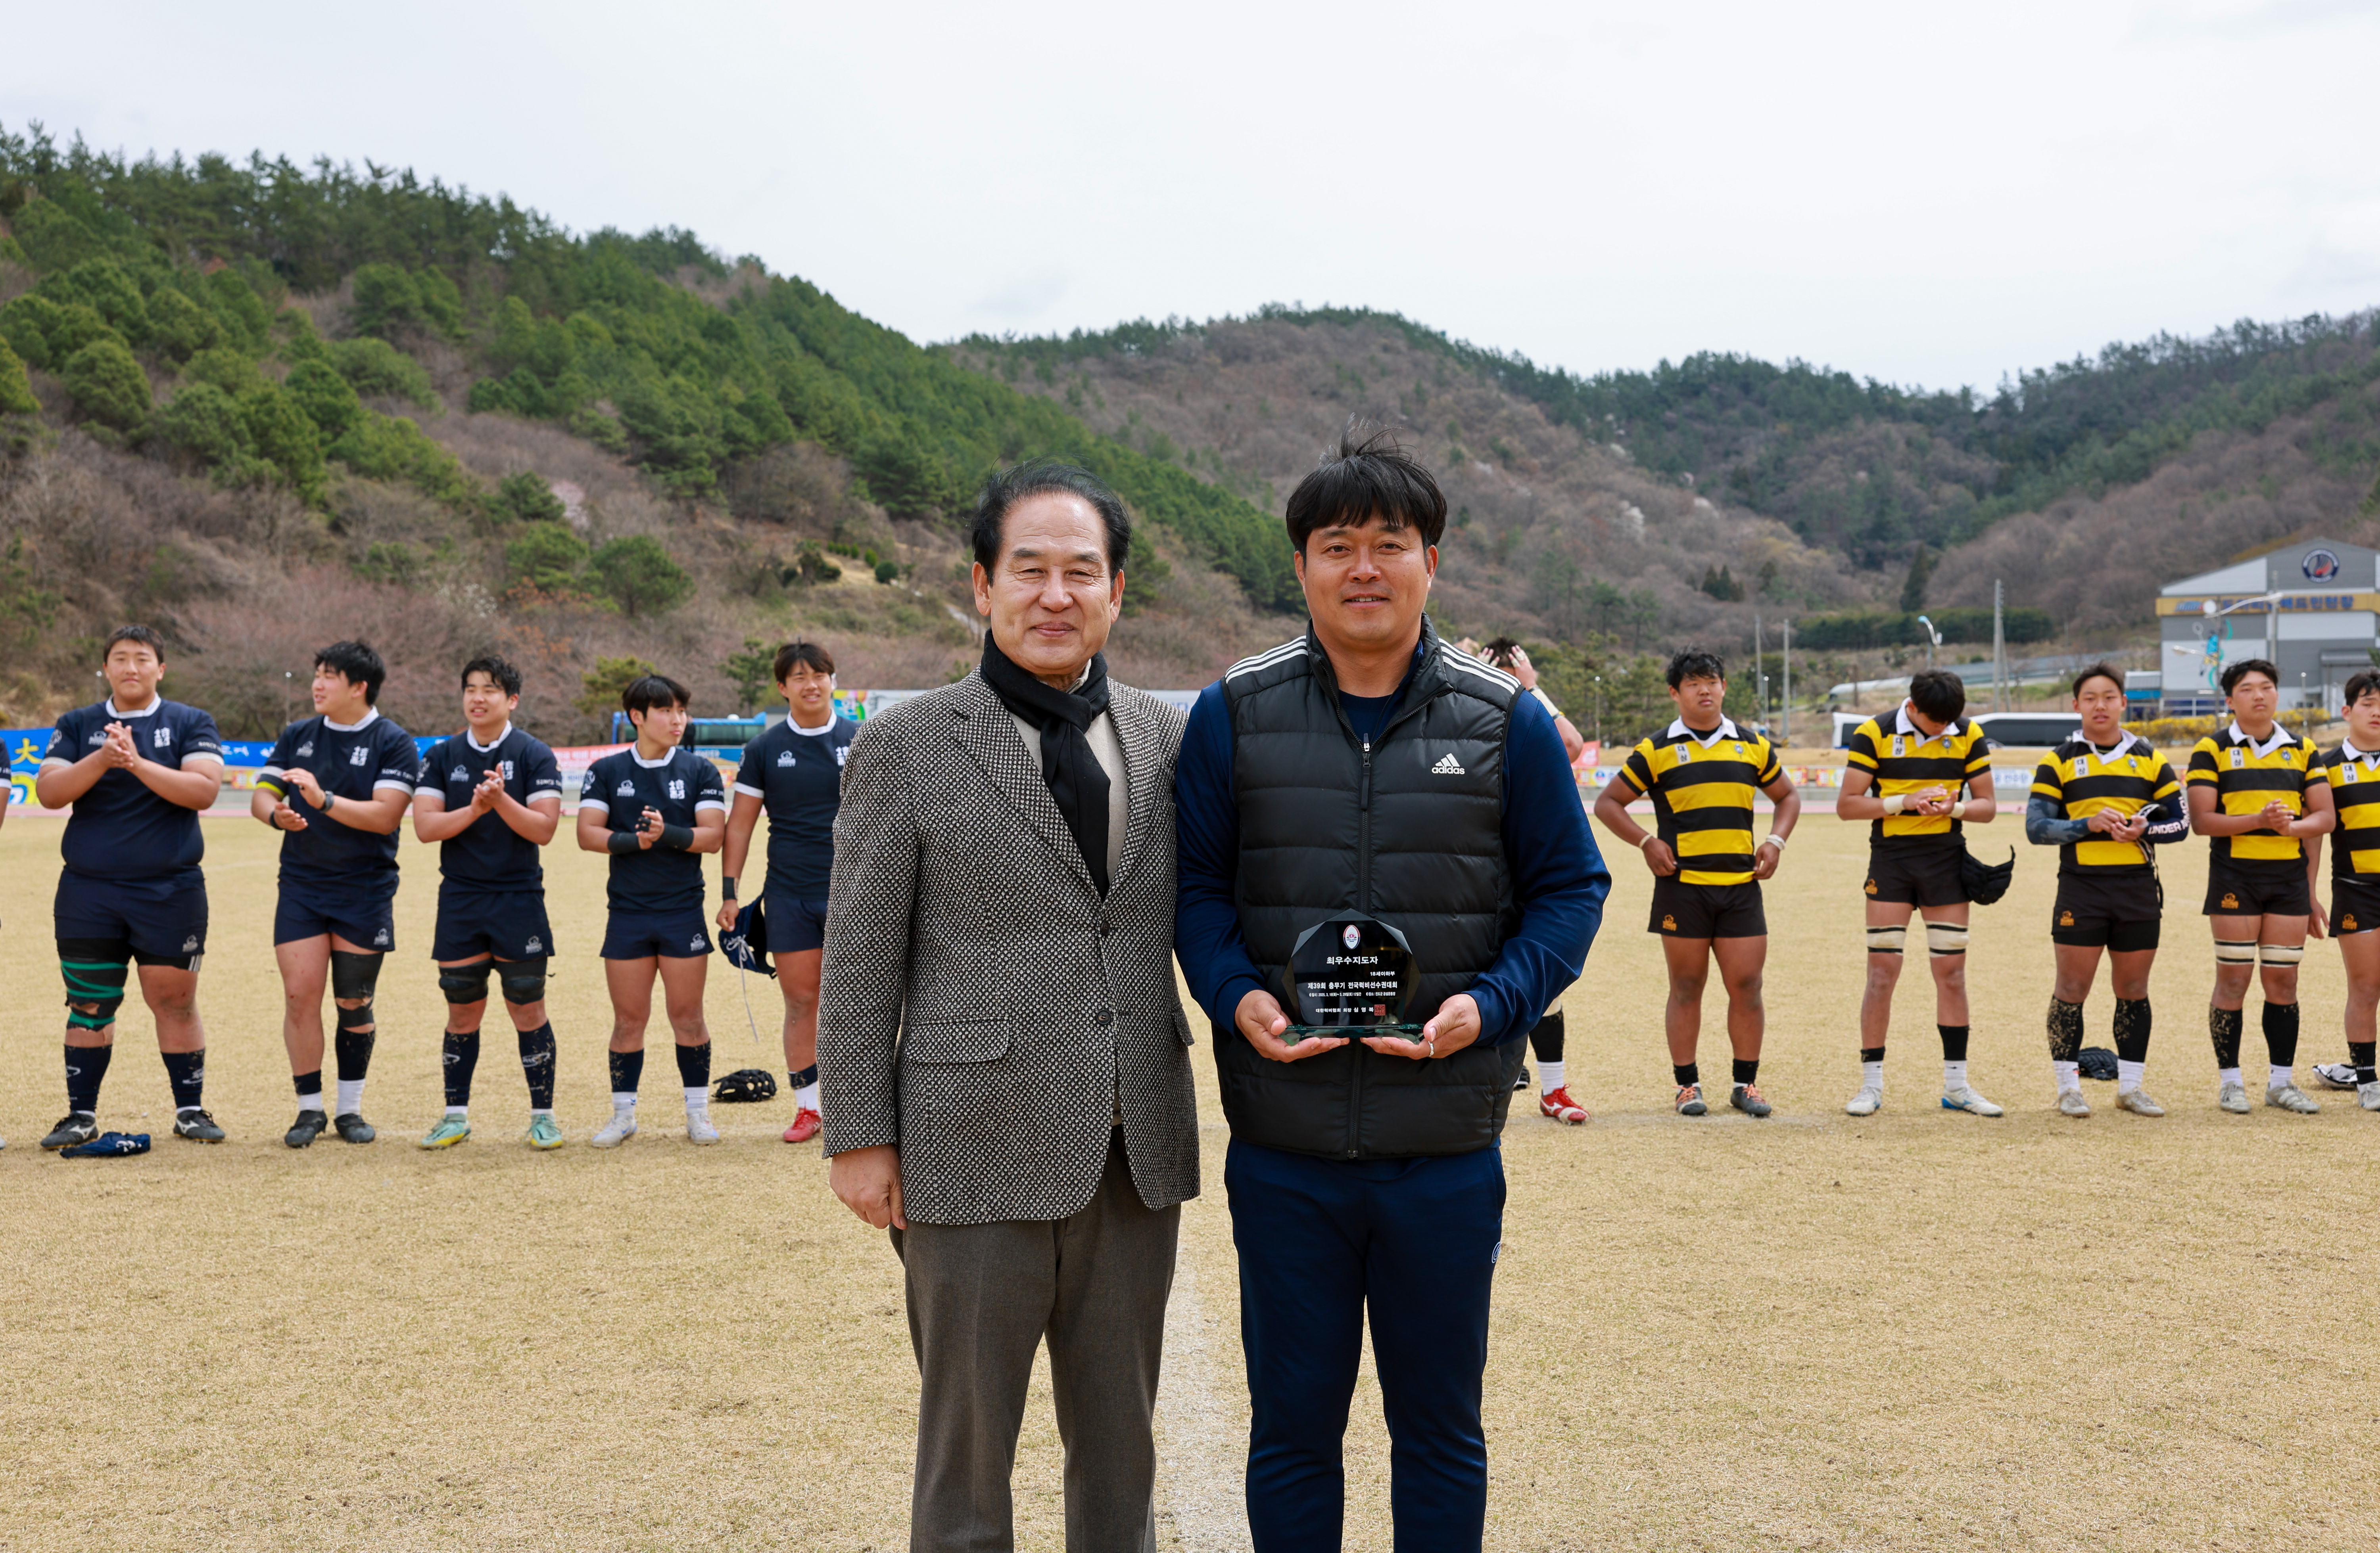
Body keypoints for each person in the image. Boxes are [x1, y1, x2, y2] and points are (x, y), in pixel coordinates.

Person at [1174, 429, 1605, 1551]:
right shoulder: (1234, 711)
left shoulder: (1502, 718)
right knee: (1293, 1431)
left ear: (1433, 563)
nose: (1364, 567)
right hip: (1285, 1149)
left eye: (1390, 543)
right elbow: (1196, 892)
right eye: (1337, 545)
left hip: (1447, 1149)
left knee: (1440, 1428)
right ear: (1302, 566)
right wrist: (1236, 996)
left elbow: (1570, 891)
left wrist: (1494, 1003)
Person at [819, 459, 1198, 1553]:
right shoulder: (908, 741)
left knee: (1122, 1447)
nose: (1056, 593)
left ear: (1117, 592)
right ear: (982, 585)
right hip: (963, 1144)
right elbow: (859, 958)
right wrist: (860, 1134)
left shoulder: (1169, 738)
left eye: (1082, 571)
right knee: (968, 1452)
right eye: (1029, 568)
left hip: (1138, 1142)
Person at [33, 625, 227, 1151]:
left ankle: (190, 1111)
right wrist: (102, 758)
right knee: (89, 1003)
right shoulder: (78, 724)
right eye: (120, 658)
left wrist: (136, 763)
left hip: (171, 890)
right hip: (89, 892)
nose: (131, 668)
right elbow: (49, 792)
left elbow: (203, 789)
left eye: (142, 659)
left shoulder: (190, 721)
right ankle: (80, 1115)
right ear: (106, 668)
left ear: (161, 668)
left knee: (176, 1001)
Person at [1593, 648, 1798, 1118]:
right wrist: (1646, 842)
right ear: (1675, 693)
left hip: (1741, 887)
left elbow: (1787, 796)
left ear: (1724, 687)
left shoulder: (1752, 745)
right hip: (1682, 888)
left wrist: (1776, 842)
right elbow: (1609, 803)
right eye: (1693, 683)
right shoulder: (1657, 749)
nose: (1704, 690)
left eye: (1712, 681)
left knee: (1747, 984)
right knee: (1686, 985)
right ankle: (1687, 1085)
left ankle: (1746, 1083)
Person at [254, 641, 420, 1148]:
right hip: (302, 887)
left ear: (358, 686)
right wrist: (275, 814)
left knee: (354, 999)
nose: (317, 684)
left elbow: (385, 815)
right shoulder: (298, 735)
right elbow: (263, 794)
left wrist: (322, 799)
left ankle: (350, 1109)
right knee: (300, 995)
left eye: (329, 676)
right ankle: (309, 1109)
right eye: (316, 674)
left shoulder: (394, 742)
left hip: (364, 890)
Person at [410, 657, 568, 1150]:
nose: (478, 698)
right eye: (471, 689)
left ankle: (543, 1116)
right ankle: (454, 1115)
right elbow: (424, 828)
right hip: (460, 898)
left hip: (519, 898)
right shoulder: (441, 756)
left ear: (512, 700)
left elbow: (543, 829)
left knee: (528, 1007)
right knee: (462, 1011)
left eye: (491, 690)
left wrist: (500, 801)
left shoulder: (535, 754)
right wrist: (476, 807)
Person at [2024, 662, 2188, 1118]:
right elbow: (2036, 828)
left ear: (2123, 703)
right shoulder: (2058, 760)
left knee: (2134, 988)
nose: (2101, 705)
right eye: (2091, 698)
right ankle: (2067, 1089)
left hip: (2137, 890)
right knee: (2072, 987)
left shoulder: (2151, 758)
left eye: (2109, 696)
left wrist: (2144, 830)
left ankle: (2130, 1088)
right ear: (2076, 705)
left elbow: (2180, 824)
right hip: (2082, 890)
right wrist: (2088, 824)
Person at [1839, 669, 2002, 1117]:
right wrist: (1904, 802)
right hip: (1891, 862)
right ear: (1912, 709)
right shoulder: (1874, 732)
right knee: (1882, 973)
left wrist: (1958, 807)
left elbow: (1988, 807)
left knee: (1951, 973)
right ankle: (1871, 1086)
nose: (1943, 732)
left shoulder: (1968, 733)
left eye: (1950, 724)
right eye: (1935, 724)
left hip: (1946, 862)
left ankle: (1957, 1085)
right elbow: (1848, 805)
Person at [576, 674, 728, 1147]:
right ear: (637, 717)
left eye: (681, 710)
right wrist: (633, 841)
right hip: (627, 914)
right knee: (628, 1020)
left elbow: (713, 836)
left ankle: (698, 1114)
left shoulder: (701, 770)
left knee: (688, 1016)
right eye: (665, 711)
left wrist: (668, 834)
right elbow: (586, 833)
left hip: (683, 911)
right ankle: (624, 1115)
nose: (677, 719)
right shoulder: (606, 770)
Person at [719, 639, 857, 1144]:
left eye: (819, 674)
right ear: (783, 687)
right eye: (799, 677)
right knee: (802, 1000)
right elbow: (739, 827)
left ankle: (864, 1105)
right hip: (790, 894)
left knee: (863, 1002)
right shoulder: (763, 749)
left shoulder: (862, 738)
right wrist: (730, 893)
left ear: (833, 679)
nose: (811, 684)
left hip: (857, 891)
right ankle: (808, 1107)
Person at [2187, 658, 2333, 1114]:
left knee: (2283, 982)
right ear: (2230, 700)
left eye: (2267, 687)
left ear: (2276, 695)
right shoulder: (2210, 750)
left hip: (2288, 883)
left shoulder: (2304, 749)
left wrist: (2308, 886)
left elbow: (2324, 818)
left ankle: (2281, 1083)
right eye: (2248, 689)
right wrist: (2261, 821)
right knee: (2233, 979)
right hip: (2235, 880)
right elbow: (2202, 821)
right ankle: (2231, 1082)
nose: (2259, 695)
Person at [1482, 637, 1591, 1121]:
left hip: (1530, 866)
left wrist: (1534, 690)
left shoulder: (1531, 714)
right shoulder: (1468, 707)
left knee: (1544, 980)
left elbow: (1572, 745)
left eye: (1513, 669)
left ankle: (1554, 1087)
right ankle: (1507, 1069)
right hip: (1479, 868)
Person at [2311, 671, 2380, 1110]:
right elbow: (2314, 835)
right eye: (2369, 703)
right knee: (2366, 986)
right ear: (2348, 710)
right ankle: (2368, 1082)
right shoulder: (2327, 766)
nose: (2378, 712)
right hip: (2357, 891)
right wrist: (2308, 892)